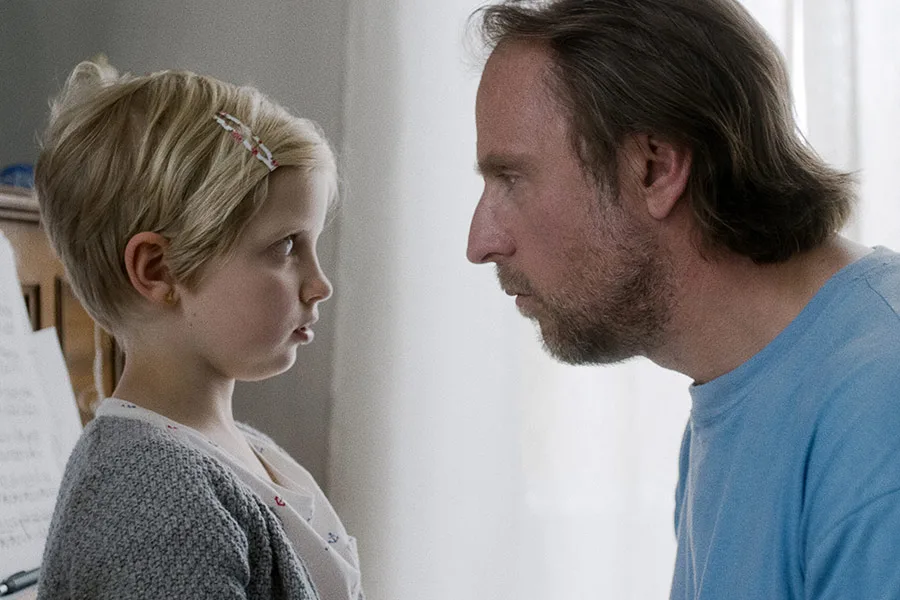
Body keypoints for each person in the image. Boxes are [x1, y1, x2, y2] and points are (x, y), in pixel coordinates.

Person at [467, 0, 900, 598]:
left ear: (656, 168)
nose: (481, 242)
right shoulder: (732, 397)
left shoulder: (877, 416)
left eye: (511, 179)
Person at [34, 58, 363, 599]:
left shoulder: (242, 449)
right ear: (159, 270)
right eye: (285, 246)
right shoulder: (148, 495)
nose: (320, 283)